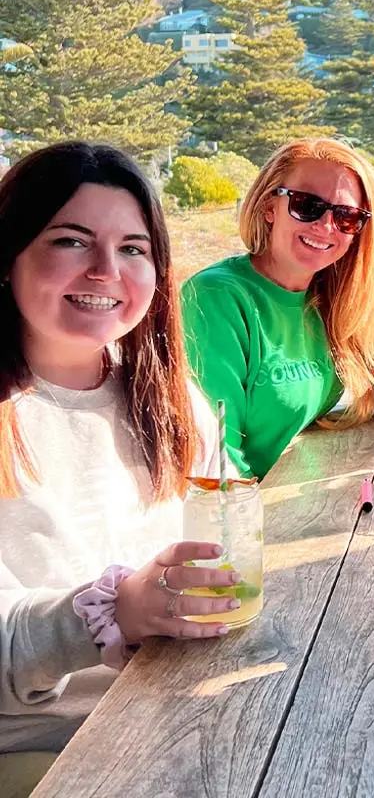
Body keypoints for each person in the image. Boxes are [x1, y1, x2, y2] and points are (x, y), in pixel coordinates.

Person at [0, 143, 238, 794]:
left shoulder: (171, 400)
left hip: (171, 711)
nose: (107, 269)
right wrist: (111, 612)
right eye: (72, 241)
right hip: (46, 751)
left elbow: (224, 544)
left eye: (133, 248)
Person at [181, 138, 374, 480]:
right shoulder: (216, 298)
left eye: (346, 216)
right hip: (239, 512)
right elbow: (217, 457)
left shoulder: (331, 296)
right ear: (270, 205)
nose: (326, 226)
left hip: (293, 492)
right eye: (307, 204)